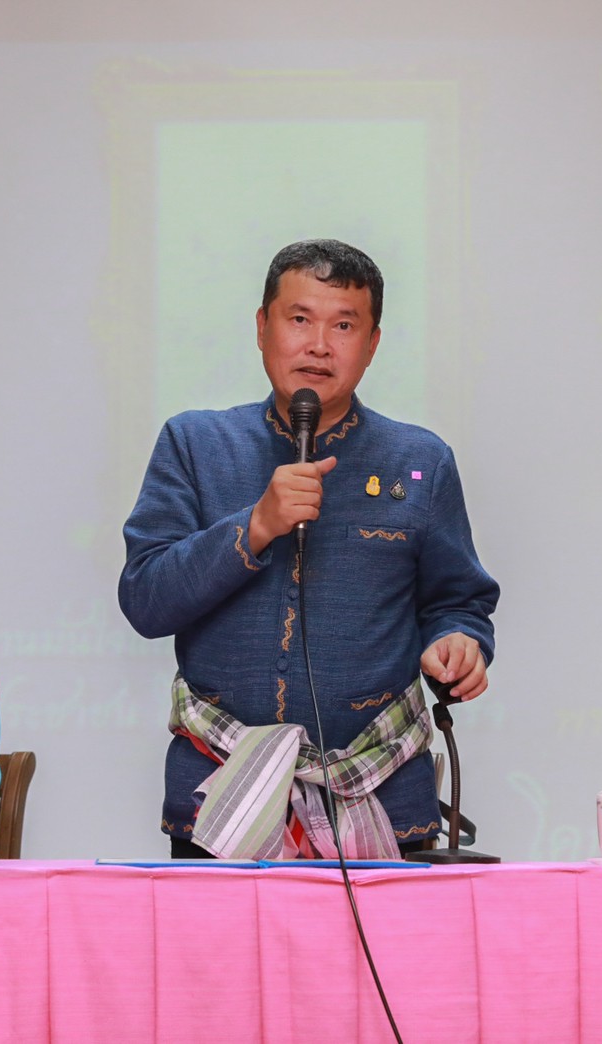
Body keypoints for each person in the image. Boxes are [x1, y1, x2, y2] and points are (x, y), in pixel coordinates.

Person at [119, 239, 499, 859]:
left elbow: (457, 602)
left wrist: (459, 641)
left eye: (344, 325)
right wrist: (255, 525)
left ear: (372, 344)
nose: (319, 345)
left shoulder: (420, 461)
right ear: (262, 327)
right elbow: (146, 601)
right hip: (221, 801)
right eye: (299, 319)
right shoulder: (195, 444)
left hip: (381, 792)